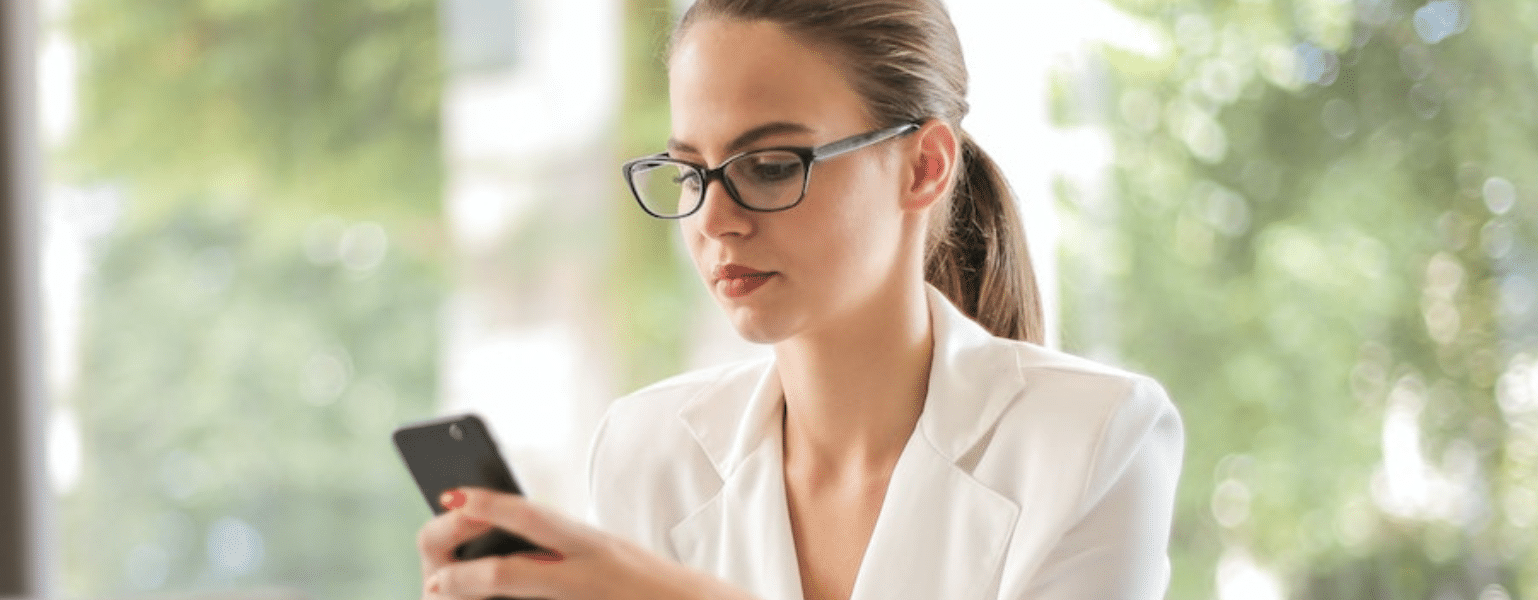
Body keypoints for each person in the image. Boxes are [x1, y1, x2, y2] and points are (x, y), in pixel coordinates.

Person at [416, 0, 1184, 598]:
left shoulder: (1097, 438)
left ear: (923, 166)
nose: (714, 219)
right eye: (691, 172)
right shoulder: (647, 450)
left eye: (771, 166)